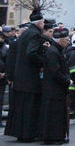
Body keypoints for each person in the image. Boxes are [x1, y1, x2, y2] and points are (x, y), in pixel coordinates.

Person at [5, 9, 47, 142]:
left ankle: (21, 133)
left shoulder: (26, 33)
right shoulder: (35, 35)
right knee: (29, 108)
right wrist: (43, 61)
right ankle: (28, 134)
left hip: (21, 77)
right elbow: (31, 53)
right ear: (40, 23)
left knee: (21, 108)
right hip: (30, 78)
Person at [42, 28, 72, 145]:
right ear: (61, 40)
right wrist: (67, 81)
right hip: (53, 89)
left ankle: (58, 136)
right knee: (53, 114)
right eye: (66, 40)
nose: (68, 42)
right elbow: (55, 72)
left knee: (58, 114)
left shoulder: (56, 50)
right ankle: (52, 137)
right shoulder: (53, 52)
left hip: (57, 89)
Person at [0, 32, 8, 127]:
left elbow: (7, 62)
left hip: (2, 78)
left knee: (1, 100)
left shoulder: (5, 48)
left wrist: (4, 73)